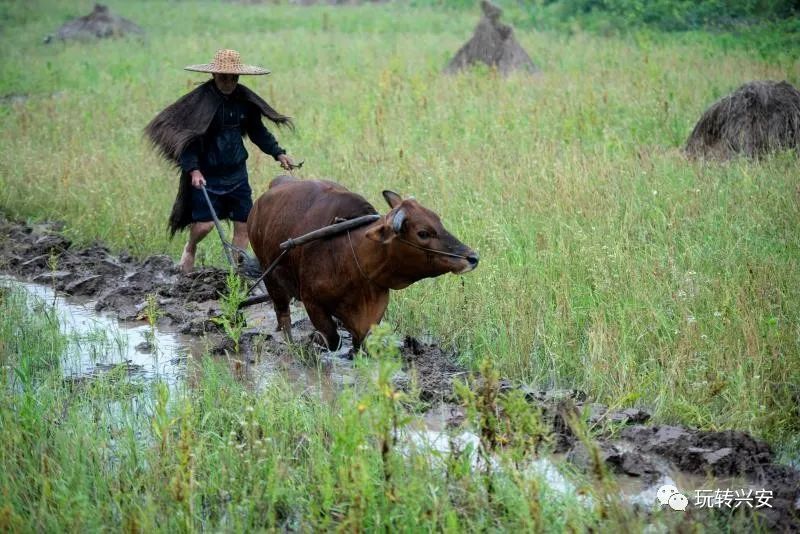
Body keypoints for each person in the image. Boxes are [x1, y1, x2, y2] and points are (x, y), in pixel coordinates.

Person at [145, 49, 295, 273]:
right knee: (204, 226)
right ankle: (191, 247)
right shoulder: (200, 102)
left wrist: (278, 153)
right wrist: (193, 170)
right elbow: (187, 139)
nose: (229, 82)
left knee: (243, 225)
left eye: (233, 78)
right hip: (208, 175)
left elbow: (257, 131)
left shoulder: (244, 100)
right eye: (224, 77)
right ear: (214, 76)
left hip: (236, 173)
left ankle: (237, 271)